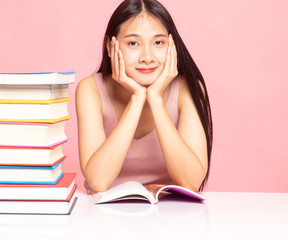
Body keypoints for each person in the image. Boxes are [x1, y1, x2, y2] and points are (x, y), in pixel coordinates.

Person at [76, 0, 213, 192]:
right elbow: (99, 181)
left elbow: (191, 182)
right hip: (104, 215)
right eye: (133, 43)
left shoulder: (187, 88)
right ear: (110, 46)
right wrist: (137, 97)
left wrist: (155, 99)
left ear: (171, 45)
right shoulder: (90, 89)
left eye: (158, 42)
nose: (147, 57)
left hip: (170, 213)